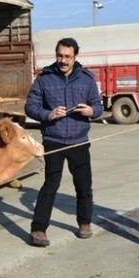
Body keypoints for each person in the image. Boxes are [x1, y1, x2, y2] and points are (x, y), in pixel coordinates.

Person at [25, 37, 103, 247]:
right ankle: (38, 229)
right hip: (53, 140)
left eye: (67, 56)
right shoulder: (44, 78)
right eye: (60, 55)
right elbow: (30, 107)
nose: (63, 60)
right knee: (51, 185)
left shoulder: (87, 79)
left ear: (75, 57)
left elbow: (99, 106)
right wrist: (48, 114)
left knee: (84, 185)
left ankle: (84, 223)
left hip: (79, 141)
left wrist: (91, 111)